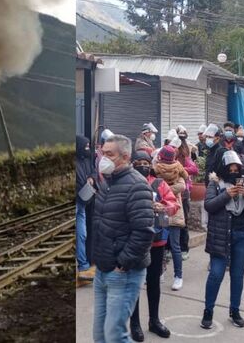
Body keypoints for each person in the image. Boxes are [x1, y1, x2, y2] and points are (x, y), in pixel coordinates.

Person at [92, 134, 154, 343]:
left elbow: (144, 231)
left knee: (115, 335)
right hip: (102, 269)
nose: (104, 159)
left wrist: (122, 263)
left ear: (125, 157)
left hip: (123, 273)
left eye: (109, 154)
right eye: (103, 153)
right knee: (100, 335)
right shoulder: (106, 183)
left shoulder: (137, 185)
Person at [201, 150, 244, 329]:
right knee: (216, 274)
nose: (234, 171)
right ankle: (208, 311)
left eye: (237, 168)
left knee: (238, 275)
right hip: (221, 235)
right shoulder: (215, 183)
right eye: (231, 168)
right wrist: (227, 194)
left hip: (242, 235)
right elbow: (209, 205)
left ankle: (234, 310)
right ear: (224, 168)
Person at [129, 151, 179, 341]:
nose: (142, 165)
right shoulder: (129, 182)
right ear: (132, 164)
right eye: (138, 162)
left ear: (150, 164)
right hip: (134, 240)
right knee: (134, 283)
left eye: (145, 162)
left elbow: (174, 204)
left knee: (153, 282)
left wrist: (163, 207)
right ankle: (134, 323)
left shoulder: (159, 183)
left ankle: (154, 320)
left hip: (157, 240)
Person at [153, 146, 188, 291]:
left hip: (161, 210)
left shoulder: (156, 170)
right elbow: (183, 185)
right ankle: (177, 276)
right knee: (175, 247)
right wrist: (171, 188)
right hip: (175, 210)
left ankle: (164, 273)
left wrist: (162, 188)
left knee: (162, 245)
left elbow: (153, 186)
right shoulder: (178, 170)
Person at [176, 129, 199, 259]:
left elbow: (194, 169)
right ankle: (171, 248)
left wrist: (180, 169)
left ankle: (184, 248)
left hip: (184, 192)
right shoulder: (169, 152)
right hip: (171, 191)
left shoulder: (186, 154)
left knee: (183, 221)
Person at [76, 135, 97, 281]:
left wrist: (91, 177)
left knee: (82, 234)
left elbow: (93, 171)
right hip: (78, 200)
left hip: (83, 202)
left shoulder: (86, 159)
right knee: (80, 234)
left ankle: (83, 265)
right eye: (86, 146)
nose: (88, 148)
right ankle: (82, 264)